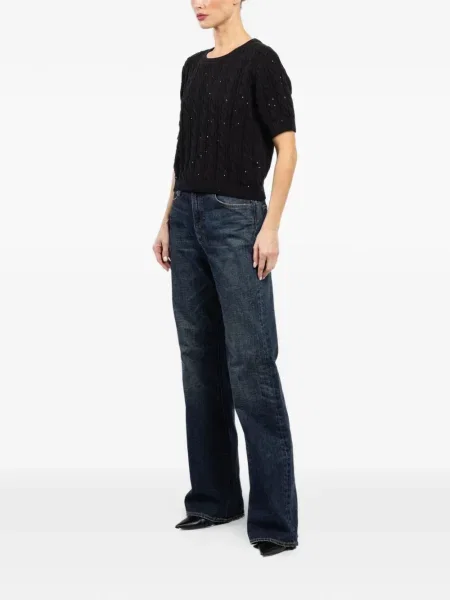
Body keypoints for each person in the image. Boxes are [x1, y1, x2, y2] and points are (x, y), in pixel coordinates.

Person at [153, 0, 298, 557]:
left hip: (239, 221)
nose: (198, 3)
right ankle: (214, 499)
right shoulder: (192, 67)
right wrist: (167, 217)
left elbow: (288, 151)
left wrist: (270, 226)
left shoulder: (262, 61)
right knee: (199, 362)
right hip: (187, 218)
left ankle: (274, 521)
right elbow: (183, 150)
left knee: (251, 364)